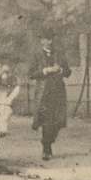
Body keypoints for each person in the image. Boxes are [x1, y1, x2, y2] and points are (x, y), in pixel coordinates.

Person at [29, 29, 71, 160]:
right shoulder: (36, 55)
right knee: (46, 121)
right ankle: (46, 148)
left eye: (49, 39)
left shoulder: (59, 54)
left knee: (58, 122)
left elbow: (68, 72)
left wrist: (61, 70)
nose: (47, 41)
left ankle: (49, 141)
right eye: (44, 39)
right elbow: (31, 74)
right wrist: (45, 71)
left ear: (52, 40)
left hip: (58, 93)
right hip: (43, 93)